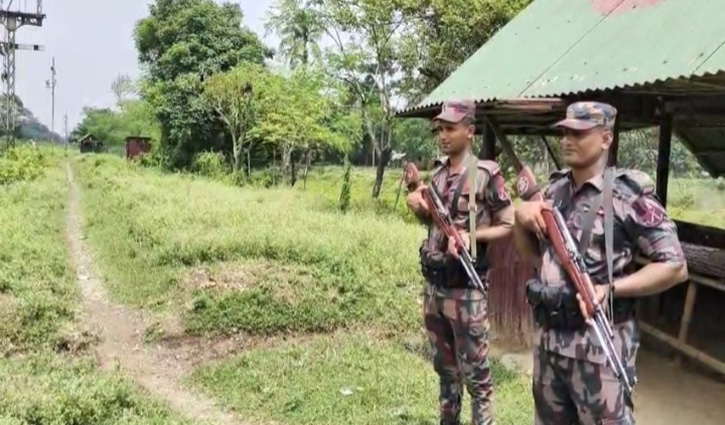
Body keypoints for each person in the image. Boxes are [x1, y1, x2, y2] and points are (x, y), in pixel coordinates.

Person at [512, 101, 689, 425]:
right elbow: (532, 254)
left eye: (579, 133)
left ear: (606, 138)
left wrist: (610, 288)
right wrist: (520, 218)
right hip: (550, 345)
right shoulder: (552, 191)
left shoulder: (627, 196)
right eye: (565, 132)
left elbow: (675, 266)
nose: (568, 140)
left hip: (599, 350)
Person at [405, 99, 515, 425]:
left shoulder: (485, 173)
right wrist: (418, 203)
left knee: (477, 379)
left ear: (470, 131)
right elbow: (434, 222)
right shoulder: (438, 174)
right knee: (445, 372)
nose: (443, 135)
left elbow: (509, 223)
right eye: (440, 128)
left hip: (466, 291)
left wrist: (472, 236)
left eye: (450, 128)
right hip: (435, 288)